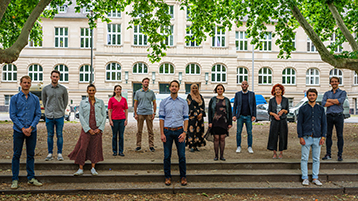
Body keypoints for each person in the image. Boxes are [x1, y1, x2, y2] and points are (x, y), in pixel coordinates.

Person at [10, 75, 42, 189]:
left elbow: (38, 114)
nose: (26, 84)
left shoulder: (35, 99)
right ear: (20, 84)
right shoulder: (14, 98)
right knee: (16, 155)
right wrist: (23, 128)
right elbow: (12, 115)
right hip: (18, 131)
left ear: (30, 84)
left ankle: (31, 178)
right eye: (24, 82)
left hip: (32, 131)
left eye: (28, 82)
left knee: (30, 155)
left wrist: (31, 128)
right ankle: (15, 179)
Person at [68, 84, 106, 176]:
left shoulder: (100, 102)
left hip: (97, 128)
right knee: (83, 147)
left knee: (95, 147)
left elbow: (104, 116)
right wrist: (87, 129)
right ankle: (80, 168)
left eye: (93, 90)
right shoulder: (83, 102)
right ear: (87, 91)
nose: (91, 92)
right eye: (90, 90)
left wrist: (100, 128)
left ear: (95, 91)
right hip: (86, 129)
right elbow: (80, 116)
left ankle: (93, 167)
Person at [159, 80, 189, 186]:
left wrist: (185, 132)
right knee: (167, 156)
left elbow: (186, 118)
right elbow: (161, 119)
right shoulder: (164, 102)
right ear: (169, 88)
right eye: (172, 86)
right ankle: (167, 177)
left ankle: (183, 177)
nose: (174, 88)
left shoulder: (183, 102)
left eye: (176, 86)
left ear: (179, 88)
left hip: (179, 131)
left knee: (182, 156)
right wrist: (162, 133)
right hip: (167, 131)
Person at [297, 88, 326, 186]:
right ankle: (305, 177)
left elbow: (324, 124)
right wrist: (300, 137)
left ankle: (315, 177)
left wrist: (323, 137)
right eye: (310, 95)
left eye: (313, 95)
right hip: (306, 137)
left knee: (316, 158)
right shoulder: (303, 109)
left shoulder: (321, 109)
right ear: (307, 96)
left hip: (317, 137)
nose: (312, 97)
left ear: (316, 96)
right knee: (304, 158)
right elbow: (299, 123)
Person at [42, 70, 69, 161]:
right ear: (51, 77)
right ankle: (50, 153)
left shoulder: (63, 89)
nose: (55, 78)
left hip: (59, 115)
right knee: (50, 135)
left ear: (59, 78)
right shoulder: (45, 89)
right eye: (53, 76)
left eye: (56, 77)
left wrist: (61, 110)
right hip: (49, 115)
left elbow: (65, 102)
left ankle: (59, 153)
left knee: (59, 135)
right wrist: (48, 110)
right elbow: (44, 101)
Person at [322, 76, 347, 161]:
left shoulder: (343, 92)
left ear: (338, 83)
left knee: (339, 135)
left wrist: (330, 100)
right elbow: (324, 104)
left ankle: (340, 154)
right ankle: (328, 153)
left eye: (336, 81)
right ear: (330, 83)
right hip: (329, 116)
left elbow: (340, 102)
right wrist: (335, 101)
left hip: (339, 116)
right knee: (328, 135)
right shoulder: (327, 93)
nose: (334, 83)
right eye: (332, 81)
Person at [208, 84, 232, 161]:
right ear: (216, 90)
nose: (220, 90)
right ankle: (216, 155)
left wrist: (230, 123)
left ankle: (221, 155)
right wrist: (210, 122)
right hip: (215, 122)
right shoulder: (213, 99)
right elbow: (209, 111)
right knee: (216, 138)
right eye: (218, 89)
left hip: (224, 122)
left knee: (222, 138)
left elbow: (230, 112)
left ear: (223, 90)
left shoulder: (227, 100)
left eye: (221, 89)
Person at [232, 80, 256, 154]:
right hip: (240, 116)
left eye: (245, 84)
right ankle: (238, 146)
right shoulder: (238, 94)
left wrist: (254, 115)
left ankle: (249, 147)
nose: (244, 85)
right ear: (241, 86)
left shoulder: (252, 94)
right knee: (238, 132)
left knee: (249, 132)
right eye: (243, 84)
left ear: (248, 85)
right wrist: (234, 115)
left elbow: (254, 105)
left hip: (249, 116)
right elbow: (235, 105)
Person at [134, 77, 156, 152]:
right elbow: (135, 103)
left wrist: (154, 113)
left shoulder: (151, 92)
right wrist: (135, 113)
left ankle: (151, 145)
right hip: (140, 113)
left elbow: (154, 103)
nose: (146, 83)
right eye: (145, 82)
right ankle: (138, 145)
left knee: (150, 131)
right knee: (139, 131)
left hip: (149, 113)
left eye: (147, 82)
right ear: (142, 83)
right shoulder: (138, 92)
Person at [267, 84, 289, 159]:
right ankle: (274, 153)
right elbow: (269, 111)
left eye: (279, 89)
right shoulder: (271, 100)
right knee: (273, 136)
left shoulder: (286, 100)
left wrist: (283, 110)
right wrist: (274, 115)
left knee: (283, 136)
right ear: (274, 91)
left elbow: (287, 111)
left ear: (282, 90)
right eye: (276, 89)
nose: (278, 91)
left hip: (283, 121)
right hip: (274, 121)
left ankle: (281, 152)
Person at [108, 85, 128, 156]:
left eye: (119, 89)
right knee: (114, 136)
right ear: (114, 91)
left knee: (121, 136)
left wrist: (126, 119)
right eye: (117, 89)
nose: (118, 90)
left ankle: (121, 151)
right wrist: (110, 120)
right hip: (114, 119)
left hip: (122, 119)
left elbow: (126, 110)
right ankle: (114, 151)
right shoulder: (111, 99)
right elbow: (109, 110)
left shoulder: (124, 99)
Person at [186, 84, 206, 152]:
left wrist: (201, 113)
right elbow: (189, 105)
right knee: (191, 131)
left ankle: (196, 145)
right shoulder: (189, 96)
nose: (194, 89)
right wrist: (196, 113)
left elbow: (203, 106)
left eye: (196, 88)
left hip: (200, 118)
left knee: (199, 131)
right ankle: (191, 145)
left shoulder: (200, 96)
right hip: (192, 117)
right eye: (193, 88)